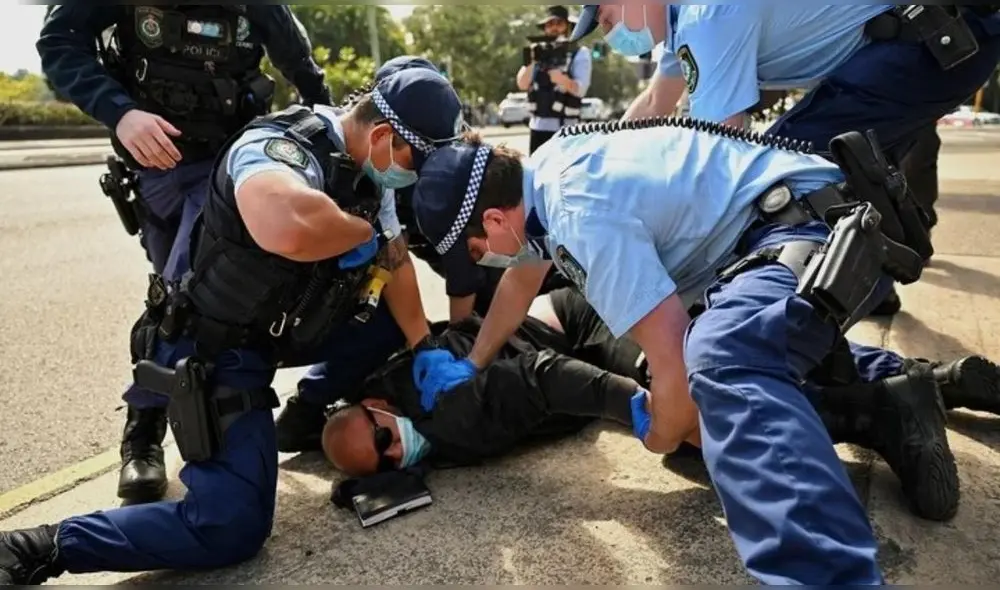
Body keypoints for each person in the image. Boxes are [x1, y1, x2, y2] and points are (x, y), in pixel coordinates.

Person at [405, 120, 962, 584]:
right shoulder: (545, 180)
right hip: (777, 234)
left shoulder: (575, 213)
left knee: (720, 362)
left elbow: (675, 370)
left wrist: (658, 431)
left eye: (478, 249)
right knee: (717, 383)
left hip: (809, 230)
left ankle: (826, 577)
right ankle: (895, 394)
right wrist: (474, 361)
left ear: (495, 220)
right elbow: (521, 284)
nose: (484, 261)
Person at [0, 68, 464, 584]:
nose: (415, 178)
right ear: (384, 137)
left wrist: (426, 347)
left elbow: (396, 261)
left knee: (392, 325)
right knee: (231, 527)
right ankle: (39, 546)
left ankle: (306, 413)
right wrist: (362, 230)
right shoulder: (278, 145)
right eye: (416, 165)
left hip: (286, 328)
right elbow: (283, 224)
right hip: (219, 347)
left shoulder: (371, 172)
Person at [37, 3, 333, 505]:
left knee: (183, 296)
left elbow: (297, 59)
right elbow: (60, 44)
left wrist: (325, 121)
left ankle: (143, 437)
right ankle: (180, 416)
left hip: (224, 163)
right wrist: (120, 111)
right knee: (168, 296)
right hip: (155, 171)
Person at [323, 287, 996, 501]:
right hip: (565, 324)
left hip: (581, 328)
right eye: (385, 465)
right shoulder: (393, 404)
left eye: (383, 441)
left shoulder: (447, 412)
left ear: (380, 410)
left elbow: (546, 378)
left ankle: (878, 412)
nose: (396, 457)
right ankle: (931, 383)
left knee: (692, 410)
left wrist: (646, 411)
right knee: (708, 379)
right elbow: (331, 430)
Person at [569, 3, 1000, 314]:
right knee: (819, 168)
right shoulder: (684, 19)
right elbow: (653, 104)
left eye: (605, 17)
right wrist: (591, 160)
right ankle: (867, 277)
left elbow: (719, 152)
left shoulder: (708, 16)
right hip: (929, 41)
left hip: (938, 40)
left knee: (779, 178)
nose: (608, 33)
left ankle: (780, 316)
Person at [517, 6, 594, 154]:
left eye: (559, 23)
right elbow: (522, 84)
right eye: (550, 24)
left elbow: (581, 89)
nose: (554, 28)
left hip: (565, 130)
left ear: (567, 27)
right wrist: (532, 62)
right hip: (537, 129)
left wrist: (562, 80)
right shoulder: (537, 51)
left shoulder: (579, 53)